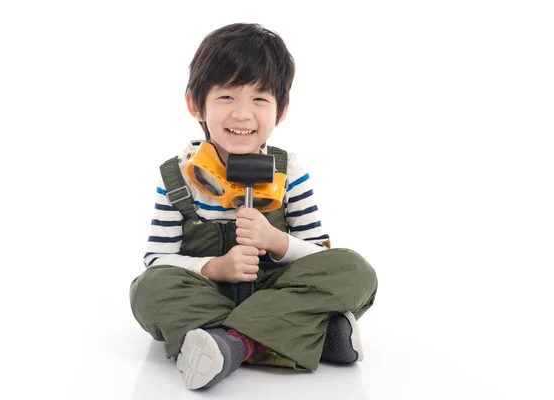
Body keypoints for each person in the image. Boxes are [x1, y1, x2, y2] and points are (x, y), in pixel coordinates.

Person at [130, 22, 378, 390]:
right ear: (195, 103)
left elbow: (319, 254)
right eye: (227, 97)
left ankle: (232, 344)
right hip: (206, 292)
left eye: (260, 99)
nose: (243, 114)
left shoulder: (289, 170)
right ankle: (311, 334)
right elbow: (158, 259)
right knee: (147, 289)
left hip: (274, 287)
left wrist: (276, 241)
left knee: (356, 270)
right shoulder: (177, 177)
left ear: (282, 110)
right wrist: (215, 267)